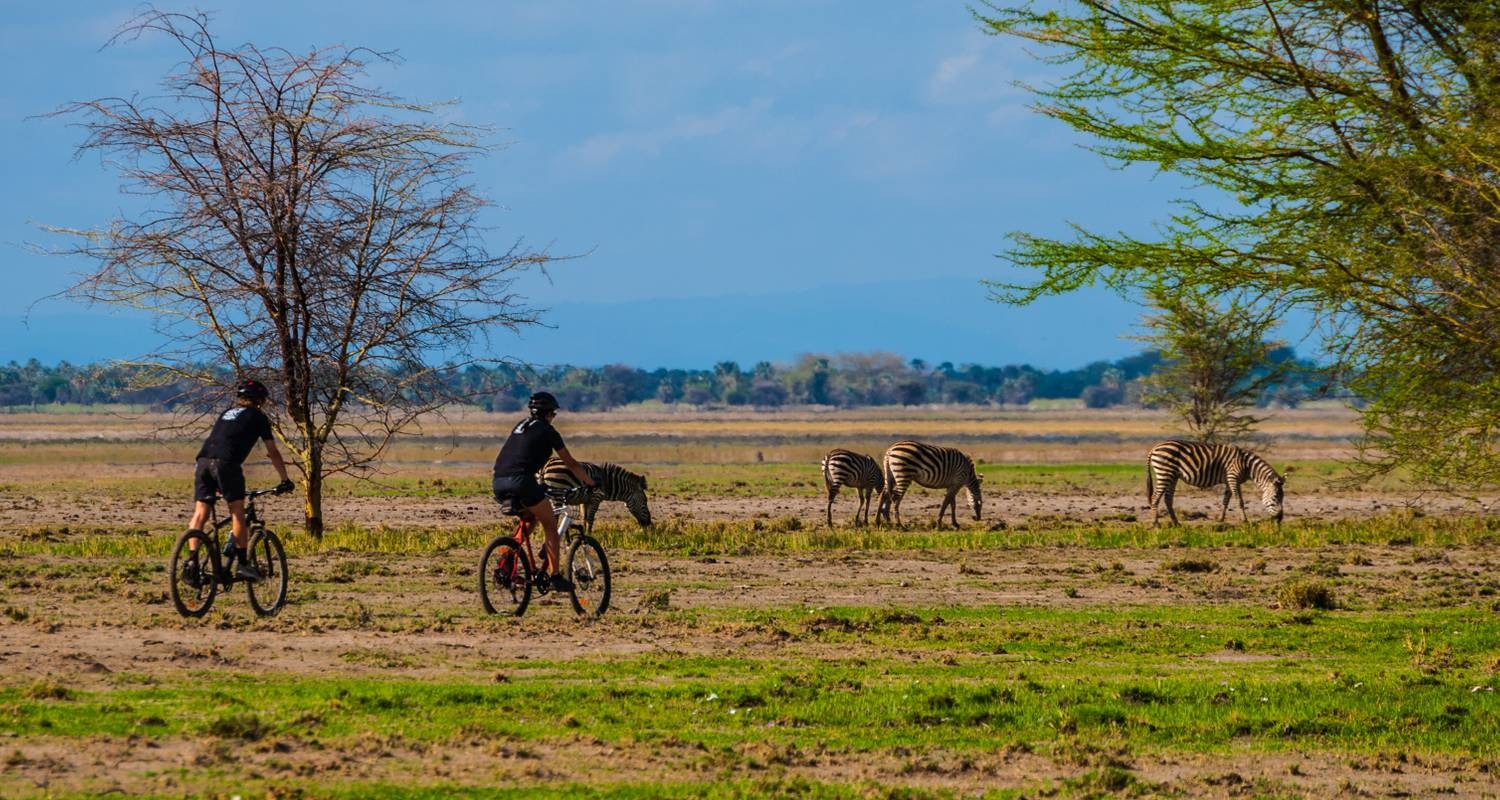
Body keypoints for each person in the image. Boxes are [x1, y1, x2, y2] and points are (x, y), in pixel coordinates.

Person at [186, 379, 294, 580]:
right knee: (237, 512)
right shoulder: (258, 417)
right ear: (260, 400)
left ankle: (191, 562)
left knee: (201, 513)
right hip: (226, 464)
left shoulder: (226, 413)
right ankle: (243, 565)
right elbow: (273, 451)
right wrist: (285, 479)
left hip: (202, 462)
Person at [492, 391, 595, 591]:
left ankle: (507, 563)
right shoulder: (548, 431)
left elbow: (521, 455)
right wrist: (590, 483)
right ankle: (555, 576)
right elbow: (571, 464)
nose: (553, 418)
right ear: (548, 413)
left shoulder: (520, 426)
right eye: (553, 414)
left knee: (530, 520)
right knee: (550, 525)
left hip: (498, 482)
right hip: (521, 482)